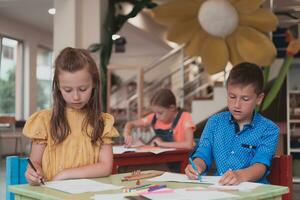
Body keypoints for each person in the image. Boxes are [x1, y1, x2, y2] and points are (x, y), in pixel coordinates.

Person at [24, 47, 119, 185]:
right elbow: (35, 162)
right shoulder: (44, 120)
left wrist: (66, 174)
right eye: (67, 90)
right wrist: (33, 173)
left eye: (82, 89)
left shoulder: (103, 122)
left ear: (94, 84)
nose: (76, 97)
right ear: (58, 87)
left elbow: (105, 167)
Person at [185, 62, 279, 185]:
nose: (237, 105)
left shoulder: (269, 129)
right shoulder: (215, 123)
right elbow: (203, 153)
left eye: (245, 99)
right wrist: (197, 166)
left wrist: (239, 176)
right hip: (220, 189)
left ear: (259, 99)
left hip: (253, 192)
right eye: (232, 97)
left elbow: (260, 165)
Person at [123, 88, 195, 149]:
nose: (157, 116)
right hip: (164, 159)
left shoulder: (185, 117)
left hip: (182, 161)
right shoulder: (154, 117)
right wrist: (127, 135)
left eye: (160, 113)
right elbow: (130, 124)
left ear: (172, 108)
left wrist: (161, 143)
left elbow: (188, 145)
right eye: (155, 113)